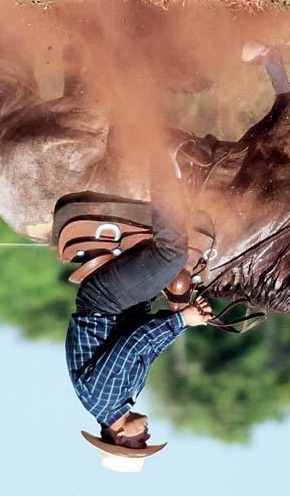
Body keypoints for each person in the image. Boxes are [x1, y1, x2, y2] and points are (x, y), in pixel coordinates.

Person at [65, 141, 214, 472]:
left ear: (119, 438)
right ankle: (196, 178)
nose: (147, 435)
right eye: (145, 442)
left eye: (140, 441)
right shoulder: (124, 397)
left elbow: (132, 344)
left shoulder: (104, 398)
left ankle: (163, 157)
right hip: (126, 306)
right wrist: (181, 318)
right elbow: (148, 351)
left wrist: (183, 322)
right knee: (193, 276)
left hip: (106, 301)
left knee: (171, 254)